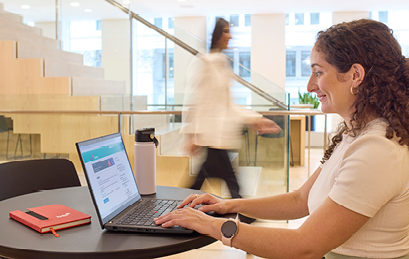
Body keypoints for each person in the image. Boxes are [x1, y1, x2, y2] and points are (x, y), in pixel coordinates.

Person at [156, 18, 409, 259]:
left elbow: (304, 246)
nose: (310, 85)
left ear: (355, 75)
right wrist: (228, 206)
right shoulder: (354, 134)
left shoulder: (377, 149)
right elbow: (300, 200)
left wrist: (215, 226)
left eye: (318, 72)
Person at [179, 17, 281, 224]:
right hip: (211, 136)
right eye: (225, 31)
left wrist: (255, 119)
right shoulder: (203, 61)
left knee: (205, 181)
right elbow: (192, 100)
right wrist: (190, 134)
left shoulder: (222, 63)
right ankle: (247, 221)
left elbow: (227, 105)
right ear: (216, 35)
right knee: (231, 183)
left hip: (221, 136)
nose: (230, 35)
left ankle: (177, 209)